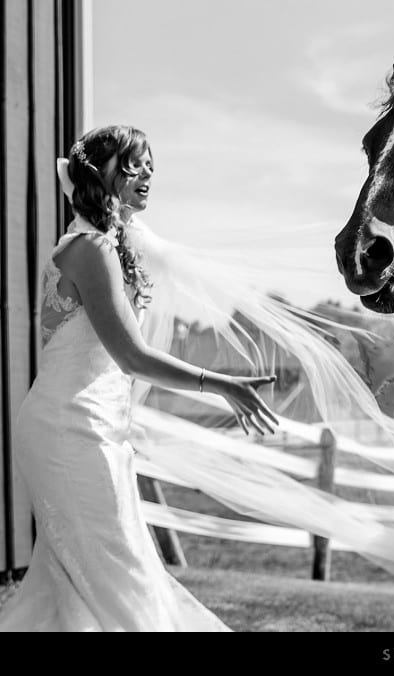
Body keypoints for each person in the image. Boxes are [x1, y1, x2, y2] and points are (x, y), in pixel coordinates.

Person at [0, 125, 278, 632]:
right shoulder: (91, 249)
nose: (148, 172)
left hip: (92, 428)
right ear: (102, 175)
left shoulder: (107, 244)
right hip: (71, 431)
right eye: (134, 163)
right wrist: (222, 384)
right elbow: (132, 357)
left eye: (152, 164)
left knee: (75, 585)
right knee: (121, 573)